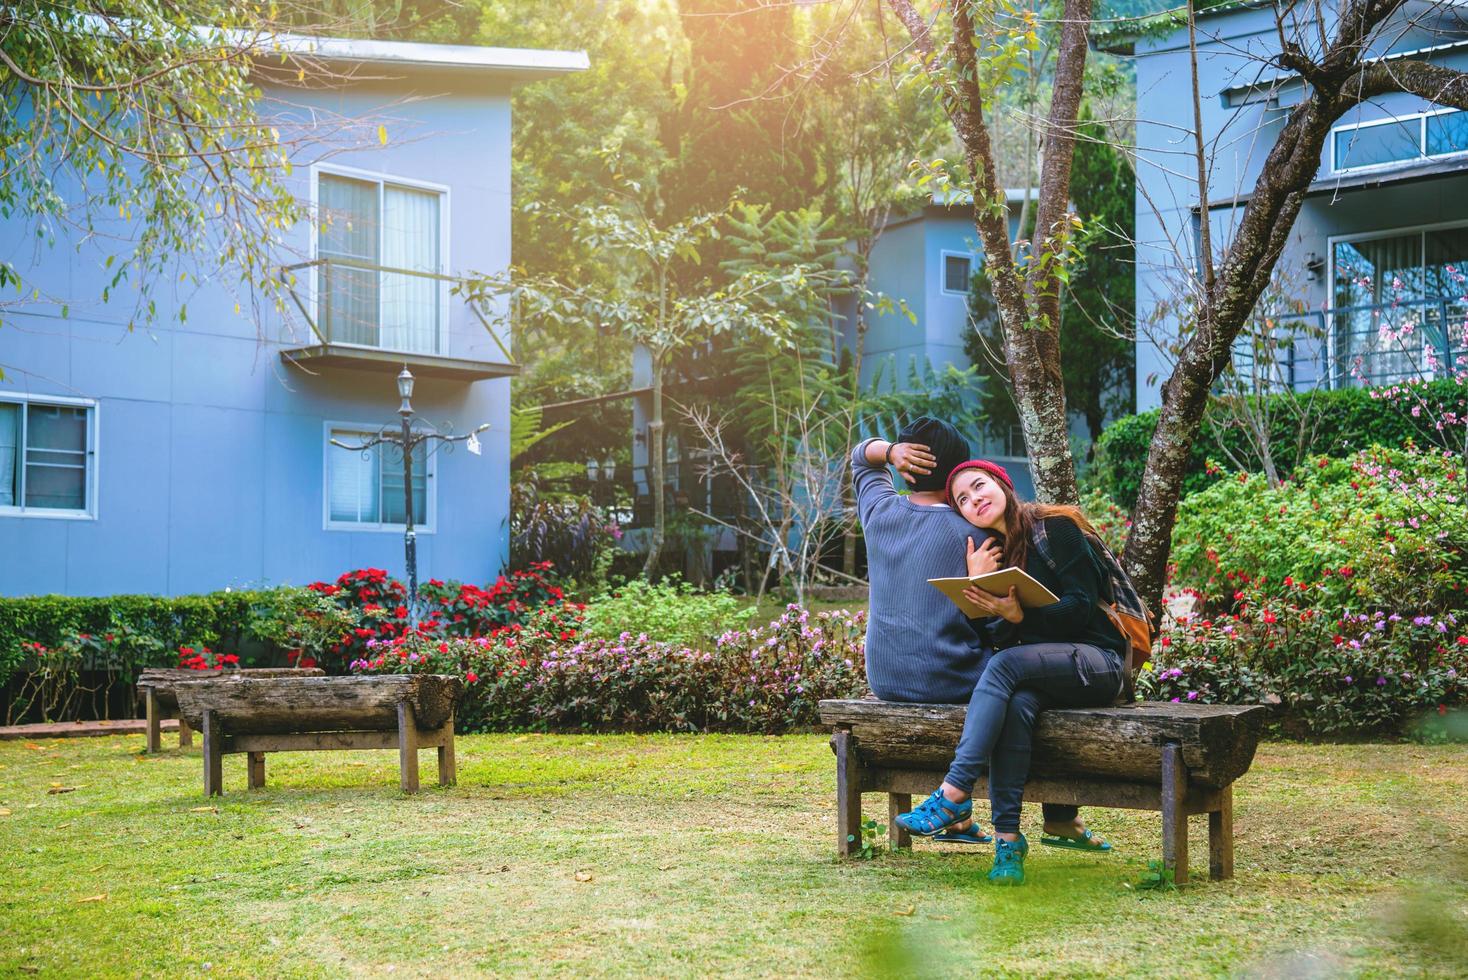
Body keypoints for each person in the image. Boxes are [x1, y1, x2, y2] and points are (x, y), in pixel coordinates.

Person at [850, 420, 1100, 846]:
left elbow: (859, 459)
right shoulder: (977, 533)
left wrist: (888, 451)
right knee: (1026, 682)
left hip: (886, 680)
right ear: (956, 471)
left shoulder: (877, 509)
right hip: (951, 678)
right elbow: (1001, 629)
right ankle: (1058, 817)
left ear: (904, 466)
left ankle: (961, 820)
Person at [895, 459, 1127, 885]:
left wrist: (1019, 615)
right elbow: (998, 638)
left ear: (1003, 483)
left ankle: (954, 792)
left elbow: (1078, 607)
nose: (973, 500)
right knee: (1016, 707)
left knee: (1004, 670)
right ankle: (1007, 843)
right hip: (1043, 672)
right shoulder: (994, 554)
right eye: (962, 499)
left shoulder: (1055, 528)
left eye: (979, 486)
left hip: (1099, 662)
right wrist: (979, 583)